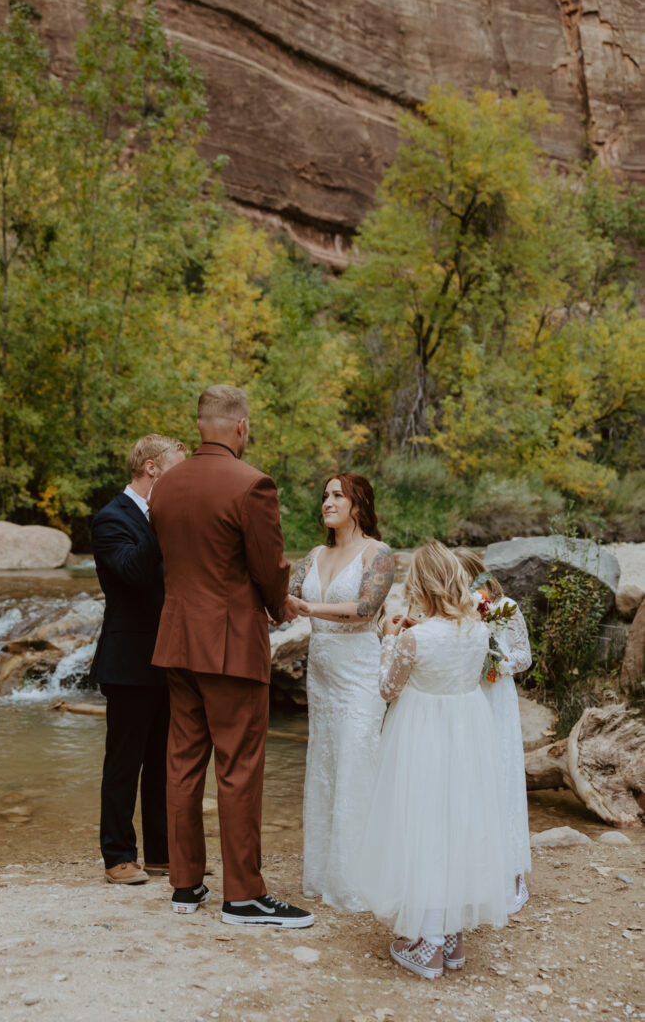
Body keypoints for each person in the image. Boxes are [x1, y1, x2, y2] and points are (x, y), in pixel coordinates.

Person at [149, 384, 313, 928]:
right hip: (231, 644)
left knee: (182, 763)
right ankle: (243, 895)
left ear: (200, 424)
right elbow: (268, 568)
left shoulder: (165, 486)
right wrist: (279, 605)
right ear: (240, 426)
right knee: (239, 768)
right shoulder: (253, 484)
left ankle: (185, 883)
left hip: (176, 640)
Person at [357, 541, 507, 979]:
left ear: (420, 585)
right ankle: (453, 937)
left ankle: (428, 944)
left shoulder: (413, 637)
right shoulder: (478, 631)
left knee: (422, 826)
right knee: (457, 825)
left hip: (422, 736)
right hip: (467, 735)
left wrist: (389, 640)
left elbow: (388, 689)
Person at [288, 473, 394, 911]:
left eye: (337, 495)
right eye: (325, 495)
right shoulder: (314, 554)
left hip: (358, 671)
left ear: (358, 503)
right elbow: (286, 595)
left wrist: (311, 609)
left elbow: (366, 607)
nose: (327, 502)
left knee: (356, 761)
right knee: (326, 763)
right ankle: (324, 873)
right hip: (323, 675)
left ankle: (359, 879)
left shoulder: (378, 553)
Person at [90, 433, 187, 885]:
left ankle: (163, 855)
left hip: (169, 656)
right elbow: (130, 572)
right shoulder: (112, 518)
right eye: (177, 467)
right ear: (152, 468)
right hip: (128, 660)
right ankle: (118, 857)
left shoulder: (162, 517)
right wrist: (165, 521)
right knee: (124, 761)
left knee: (164, 762)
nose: (183, 477)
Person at [454, 546, 533, 913]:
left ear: (474, 574)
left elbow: (524, 656)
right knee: (470, 781)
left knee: (501, 777)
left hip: (496, 697)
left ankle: (513, 873)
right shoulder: (452, 612)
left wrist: (496, 663)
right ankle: (474, 871)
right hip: (466, 700)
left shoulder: (506, 609)